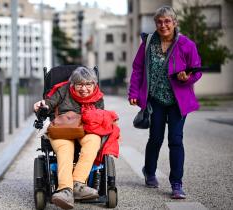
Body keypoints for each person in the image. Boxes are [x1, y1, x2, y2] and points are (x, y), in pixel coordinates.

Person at [128, 6, 202, 199]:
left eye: (167, 21)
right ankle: (149, 171)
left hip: (178, 102)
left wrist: (187, 78)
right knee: (156, 138)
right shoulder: (149, 42)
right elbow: (137, 68)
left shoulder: (186, 44)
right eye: (159, 22)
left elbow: (197, 70)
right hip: (156, 100)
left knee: (175, 141)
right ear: (156, 24)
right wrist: (134, 92)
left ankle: (176, 183)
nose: (163, 25)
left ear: (175, 23)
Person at [34, 66, 119, 209]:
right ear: (72, 84)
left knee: (93, 141)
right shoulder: (63, 90)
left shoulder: (98, 97)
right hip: (63, 128)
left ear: (94, 84)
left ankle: (78, 184)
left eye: (88, 84)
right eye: (79, 84)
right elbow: (48, 104)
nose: (84, 89)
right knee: (65, 148)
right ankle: (65, 190)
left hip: (87, 129)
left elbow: (100, 117)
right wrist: (42, 106)